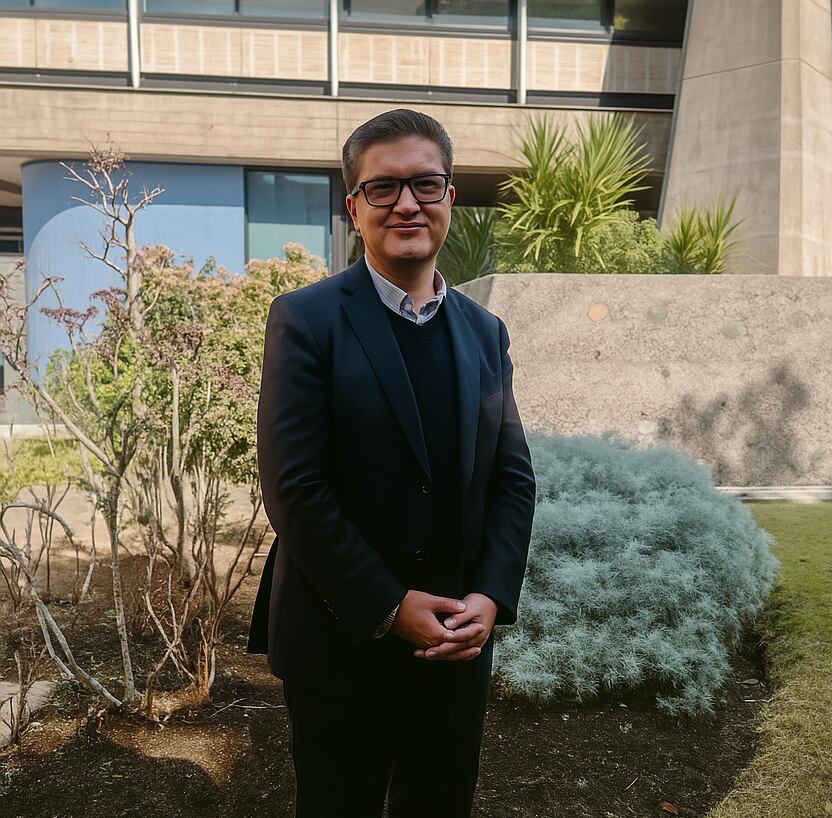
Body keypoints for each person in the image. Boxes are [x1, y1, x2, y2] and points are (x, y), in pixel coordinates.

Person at [246, 107, 537, 818]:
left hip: (457, 648)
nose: (407, 203)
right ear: (354, 208)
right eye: (383, 188)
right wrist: (388, 605)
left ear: (449, 200)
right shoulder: (307, 319)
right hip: (339, 641)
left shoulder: (483, 330)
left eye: (425, 185)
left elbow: (512, 476)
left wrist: (491, 597)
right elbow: (294, 488)